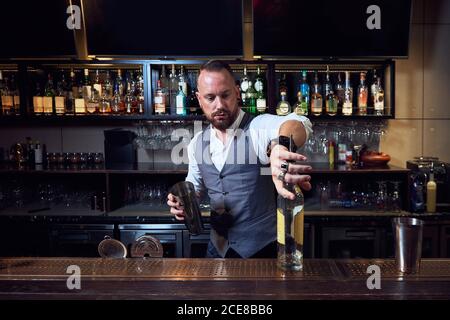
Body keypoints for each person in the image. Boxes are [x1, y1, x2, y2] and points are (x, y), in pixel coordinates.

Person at [167, 60, 313, 258]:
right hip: (216, 250)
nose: (219, 105)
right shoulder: (196, 143)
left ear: (237, 92)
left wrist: (281, 144)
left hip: (261, 252)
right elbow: (196, 187)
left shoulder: (256, 127)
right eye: (210, 98)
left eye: (225, 95)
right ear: (199, 100)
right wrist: (181, 202)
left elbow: (298, 122)